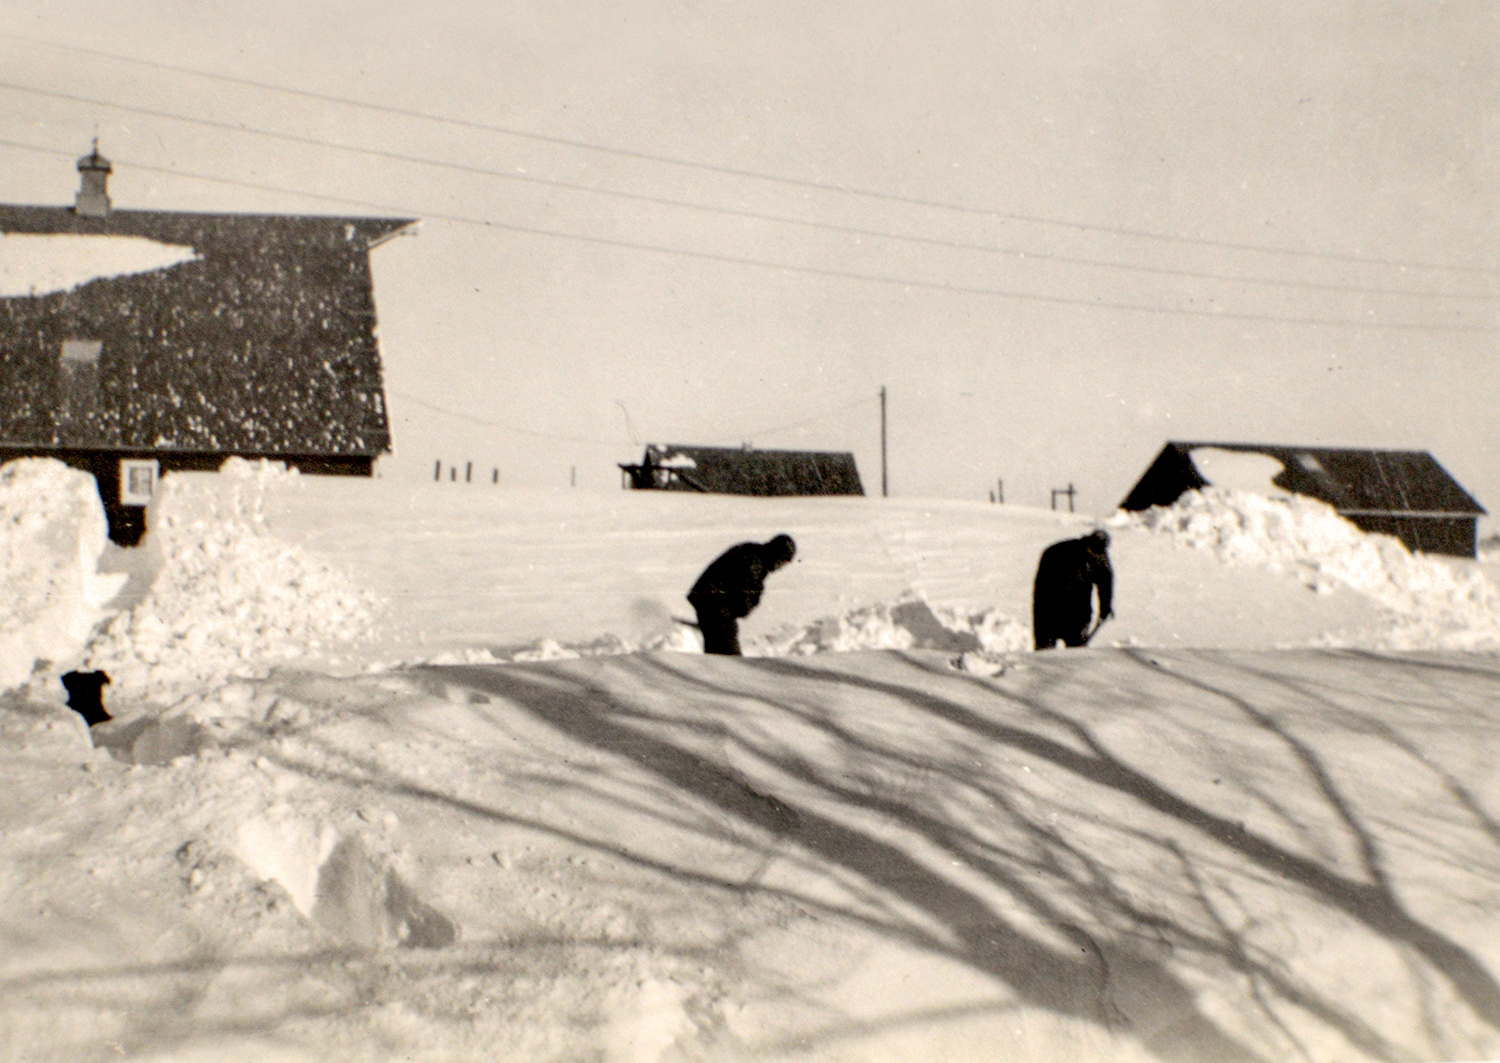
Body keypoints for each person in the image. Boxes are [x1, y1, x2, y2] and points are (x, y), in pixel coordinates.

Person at [687, 534, 797, 655]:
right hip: (712, 600)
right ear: (776, 555)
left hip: (711, 598)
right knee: (726, 646)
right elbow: (742, 598)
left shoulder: (755, 555)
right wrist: (745, 606)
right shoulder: (754, 562)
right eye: (782, 561)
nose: (780, 567)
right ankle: (726, 671)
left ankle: (718, 669)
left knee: (720, 642)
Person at [1032, 529, 1113, 650]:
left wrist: (1105, 607)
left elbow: (1105, 582)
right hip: (1049, 609)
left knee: (1076, 654)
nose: (1095, 554)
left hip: (1078, 614)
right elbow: (1042, 588)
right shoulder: (1058, 552)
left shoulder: (1099, 558)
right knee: (1044, 651)